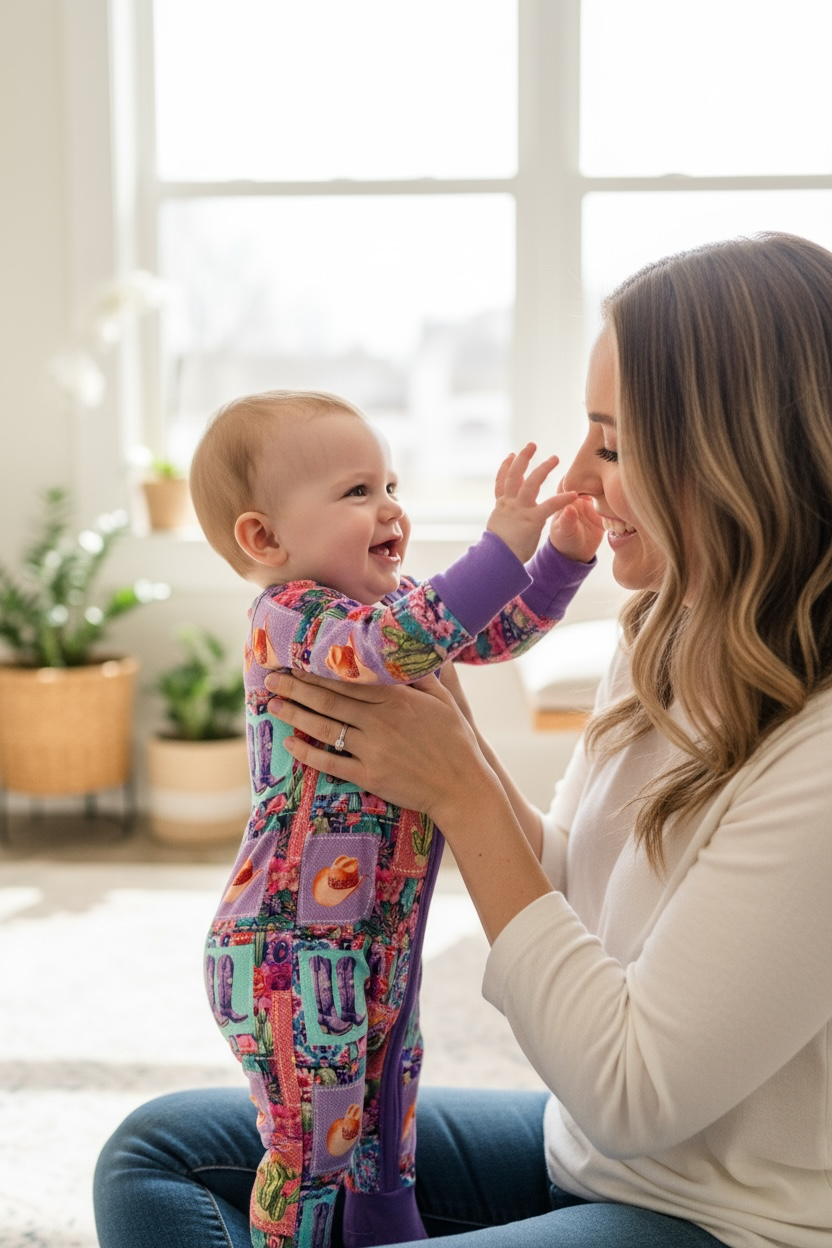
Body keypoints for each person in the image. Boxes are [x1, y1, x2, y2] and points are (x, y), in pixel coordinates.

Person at [94, 231, 832, 1248]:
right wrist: (450, 753)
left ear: (732, 459)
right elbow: (569, 884)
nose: (577, 473)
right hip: (593, 1159)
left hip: (729, 1220)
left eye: (611, 447)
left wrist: (460, 790)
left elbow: (629, 1089)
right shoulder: (658, 636)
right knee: (160, 1153)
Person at [169, 389, 600, 1248]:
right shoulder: (292, 617)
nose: (389, 505)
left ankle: (388, 1236)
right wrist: (498, 546)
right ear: (265, 539)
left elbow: (485, 632)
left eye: (391, 483)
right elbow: (397, 643)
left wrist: (559, 559)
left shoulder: (385, 612)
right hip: (289, 947)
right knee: (313, 1152)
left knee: (385, 1127)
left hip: (373, 940)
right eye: (356, 491)